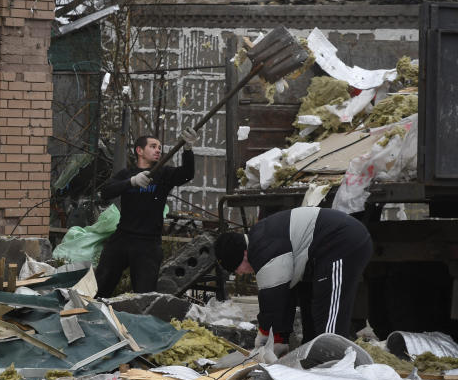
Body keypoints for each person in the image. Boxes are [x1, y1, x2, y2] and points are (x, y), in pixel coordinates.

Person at [214, 206, 372, 357]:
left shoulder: (263, 249)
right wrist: (280, 338)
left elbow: (272, 299)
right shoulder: (261, 241)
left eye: (236, 268)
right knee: (312, 306)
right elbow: (285, 296)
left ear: (243, 255)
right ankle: (315, 359)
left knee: (329, 315)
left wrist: (263, 335)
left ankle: (334, 365)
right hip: (325, 249)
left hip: (341, 241)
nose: (239, 273)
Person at [95, 128, 198, 297]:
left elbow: (187, 174)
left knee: (144, 296)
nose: (158, 150)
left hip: (148, 243)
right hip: (122, 238)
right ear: (139, 151)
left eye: (159, 147)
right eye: (153, 146)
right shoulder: (126, 174)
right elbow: (106, 192)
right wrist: (132, 182)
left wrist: (188, 149)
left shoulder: (164, 174)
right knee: (100, 288)